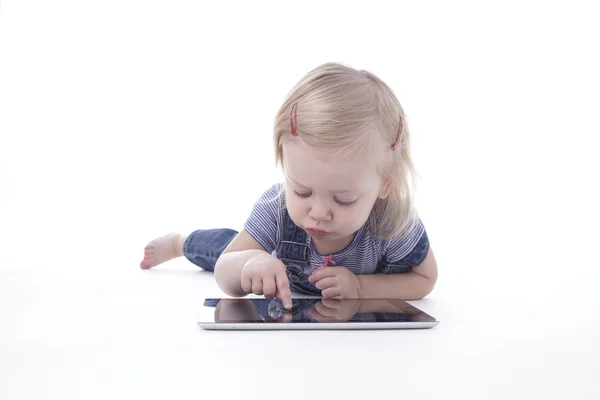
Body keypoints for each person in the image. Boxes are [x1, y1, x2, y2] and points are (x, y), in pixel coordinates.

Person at [140, 62, 438, 310]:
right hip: (273, 260)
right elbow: (224, 270)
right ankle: (182, 242)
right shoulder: (277, 210)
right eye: (302, 191)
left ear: (384, 186)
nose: (318, 213)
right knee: (224, 248)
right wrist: (249, 265)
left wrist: (361, 286)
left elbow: (424, 280)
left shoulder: (394, 222)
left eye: (344, 199)